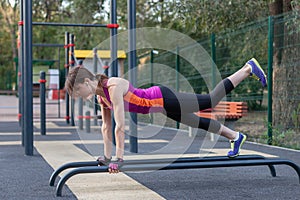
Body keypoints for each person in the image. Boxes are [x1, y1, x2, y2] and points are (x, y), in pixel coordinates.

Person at [65, 58, 267, 173]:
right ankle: (234, 137)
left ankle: (248, 68)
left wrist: (119, 159)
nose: (78, 98)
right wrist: (107, 158)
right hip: (161, 107)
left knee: (210, 101)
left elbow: (119, 126)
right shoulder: (102, 98)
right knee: (194, 121)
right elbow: (106, 128)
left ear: (85, 83)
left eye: (76, 93)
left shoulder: (113, 86)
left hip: (163, 98)